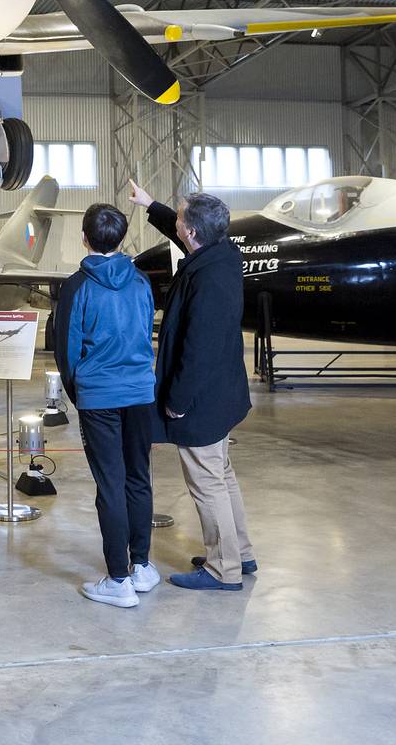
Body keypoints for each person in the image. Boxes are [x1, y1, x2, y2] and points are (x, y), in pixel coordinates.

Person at [128, 182, 257, 592]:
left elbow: (197, 348)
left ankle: (223, 569)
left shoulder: (207, 281)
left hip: (201, 398)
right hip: (222, 393)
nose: (177, 223)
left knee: (207, 482)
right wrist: (152, 206)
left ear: (192, 233)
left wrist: (178, 402)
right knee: (221, 473)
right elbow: (181, 229)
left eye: (180, 218)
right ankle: (241, 552)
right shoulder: (220, 254)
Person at [53, 203, 160, 609]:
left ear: (84, 238)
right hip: (139, 393)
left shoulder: (77, 285)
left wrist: (80, 393)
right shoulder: (140, 283)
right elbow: (147, 329)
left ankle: (118, 579)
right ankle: (142, 566)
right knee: (138, 477)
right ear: (122, 239)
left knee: (110, 484)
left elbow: (66, 349)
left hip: (99, 395)